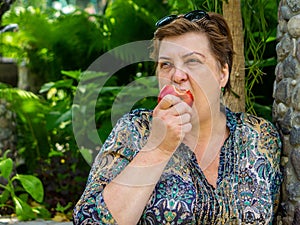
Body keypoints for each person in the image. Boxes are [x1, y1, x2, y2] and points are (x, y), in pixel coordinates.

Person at [73, 10, 282, 224]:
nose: (177, 75)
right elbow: (90, 221)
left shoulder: (259, 137)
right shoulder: (135, 131)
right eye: (166, 64)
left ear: (222, 74)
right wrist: (158, 147)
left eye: (192, 61)